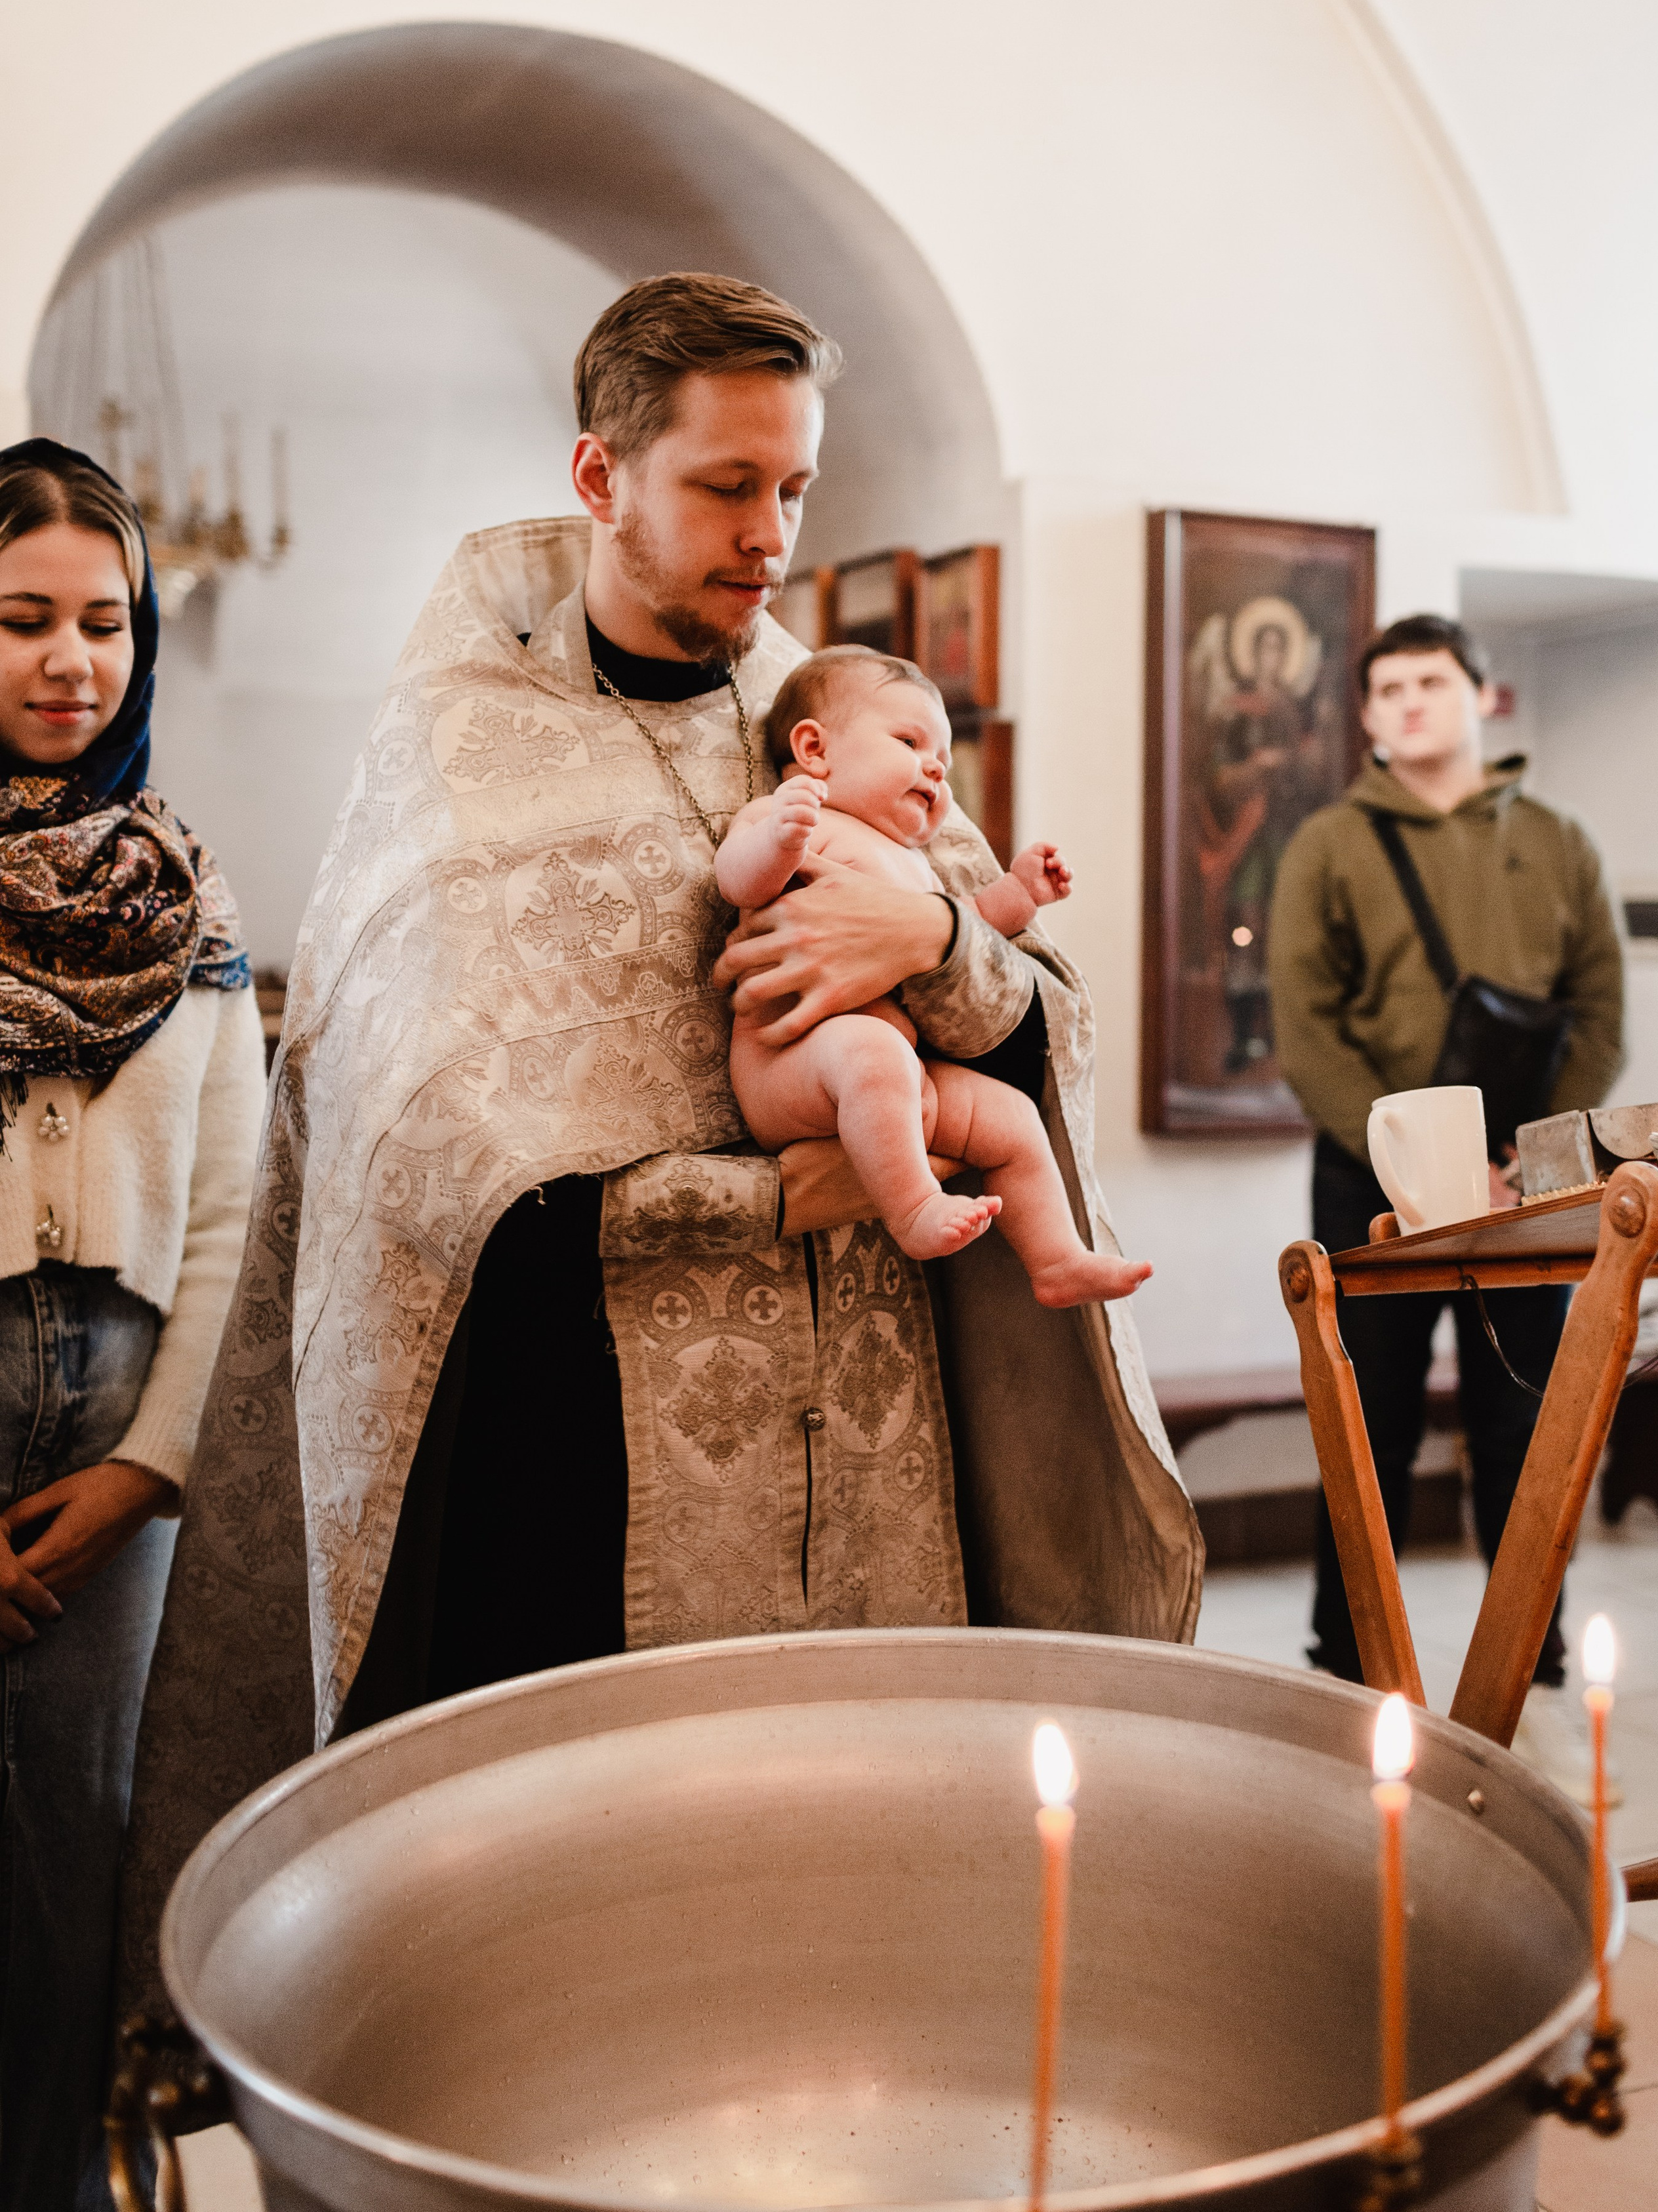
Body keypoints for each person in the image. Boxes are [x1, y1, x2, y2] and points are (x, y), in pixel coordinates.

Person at [122, 273, 1202, 2003]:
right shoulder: (471, 749)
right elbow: (416, 1160)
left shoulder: (827, 719)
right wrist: (788, 1181)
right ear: (602, 471)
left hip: (871, 1475)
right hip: (578, 1475)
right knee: (601, 1981)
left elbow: (1035, 1016)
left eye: (795, 487)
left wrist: (938, 944)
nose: (773, 533)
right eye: (724, 485)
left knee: (854, 1953)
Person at [0, 443, 264, 2209]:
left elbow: (241, 1208)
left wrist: (153, 1469)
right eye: (20, 620)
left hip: (117, 1433)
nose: (68, 661)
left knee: (75, 1878)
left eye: (106, 621)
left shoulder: (189, 896)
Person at [1269, 613, 1623, 1797]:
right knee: (1363, 1424)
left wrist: (1525, 1158)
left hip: (1526, 1183)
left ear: (1481, 696)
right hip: (1366, 1176)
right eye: (1389, 689)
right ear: (1366, 716)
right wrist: (1412, 1155)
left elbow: (1599, 1007)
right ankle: (1342, 1666)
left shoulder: (1561, 842)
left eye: (1433, 681)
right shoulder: (1328, 843)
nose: (1411, 703)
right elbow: (1307, 1026)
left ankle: (1543, 1664)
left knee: (1531, 1423)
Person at [716, 643, 1155, 1303]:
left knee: (1008, 1118)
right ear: (814, 749)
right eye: (909, 739)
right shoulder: (799, 816)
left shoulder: (913, 861)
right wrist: (776, 839)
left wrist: (1020, 892)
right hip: (790, 1063)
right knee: (874, 1052)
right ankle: (916, 1208)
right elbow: (736, 879)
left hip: (898, 1072)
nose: (934, 768)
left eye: (944, 762)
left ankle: (1056, 1257)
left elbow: (968, 922)